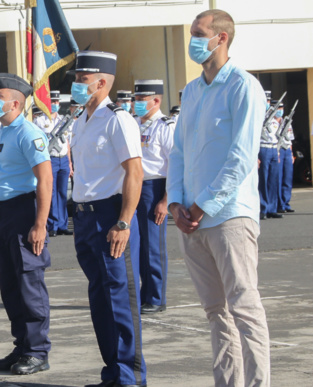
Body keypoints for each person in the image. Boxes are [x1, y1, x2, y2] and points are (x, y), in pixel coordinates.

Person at [167, 9, 271, 386]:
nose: (192, 39)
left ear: (221, 37)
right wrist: (177, 203)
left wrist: (202, 205)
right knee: (216, 313)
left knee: (245, 309)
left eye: (198, 33)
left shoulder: (243, 86)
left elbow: (242, 157)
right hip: (190, 220)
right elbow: (178, 152)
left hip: (228, 217)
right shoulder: (192, 91)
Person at [69, 51, 146, 387]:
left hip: (110, 215)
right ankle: (113, 373)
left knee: (119, 297)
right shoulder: (80, 121)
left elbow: (135, 172)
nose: (75, 85)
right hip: (85, 217)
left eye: (81, 80)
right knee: (99, 297)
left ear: (101, 83)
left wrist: (124, 222)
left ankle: (131, 377)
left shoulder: (118, 119)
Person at [0, 73, 54, 375]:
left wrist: (40, 224)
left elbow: (46, 178)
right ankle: (22, 345)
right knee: (10, 285)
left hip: (24, 212)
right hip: (2, 214)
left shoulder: (29, 133)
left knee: (29, 285)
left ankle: (38, 351)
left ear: (15, 102)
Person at [133, 79, 175, 315]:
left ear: (156, 101)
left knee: (153, 246)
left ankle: (156, 297)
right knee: (138, 245)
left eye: (141, 100)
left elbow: (174, 165)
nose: (137, 103)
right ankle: (144, 294)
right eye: (136, 99)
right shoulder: (135, 124)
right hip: (135, 186)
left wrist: (165, 200)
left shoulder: (165, 126)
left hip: (154, 188)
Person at [38, 90, 73, 238]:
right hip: (50, 158)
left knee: (62, 192)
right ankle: (53, 224)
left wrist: (70, 162)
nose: (55, 104)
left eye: (57, 102)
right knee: (51, 192)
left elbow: (68, 143)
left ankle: (63, 224)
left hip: (63, 158)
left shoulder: (63, 120)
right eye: (52, 101)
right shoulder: (40, 121)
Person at [259, 91, 282, 220]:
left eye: (269, 101)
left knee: (273, 180)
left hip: (273, 149)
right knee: (263, 179)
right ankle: (263, 208)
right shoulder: (258, 116)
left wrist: (278, 152)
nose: (268, 103)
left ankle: (272, 208)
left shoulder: (273, 118)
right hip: (263, 148)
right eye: (266, 101)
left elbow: (277, 136)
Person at [276, 102, 295, 213]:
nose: (280, 110)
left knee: (287, 178)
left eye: (282, 108)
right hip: (278, 150)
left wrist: (291, 153)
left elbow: (290, 139)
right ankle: (279, 204)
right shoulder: (270, 123)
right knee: (279, 177)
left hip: (287, 150)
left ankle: (286, 203)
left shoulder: (287, 122)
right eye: (278, 108)